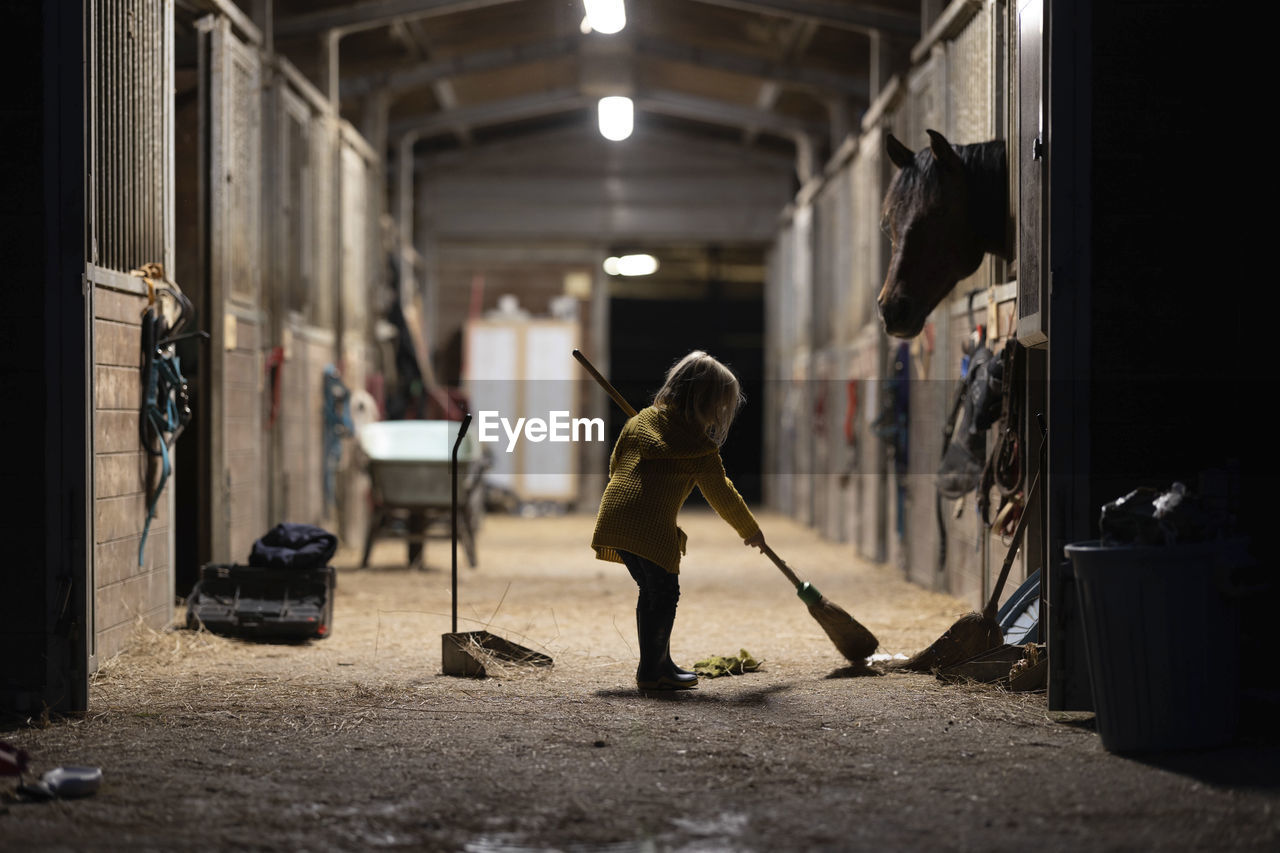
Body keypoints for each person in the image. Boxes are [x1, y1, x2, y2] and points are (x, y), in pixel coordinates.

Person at [592, 351, 766, 691]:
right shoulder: (699, 449)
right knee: (664, 592)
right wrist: (751, 530)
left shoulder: (638, 422)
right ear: (710, 402)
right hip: (650, 526)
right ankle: (653, 672)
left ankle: (658, 664)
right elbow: (723, 495)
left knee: (653, 590)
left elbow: (615, 467)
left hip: (615, 515)